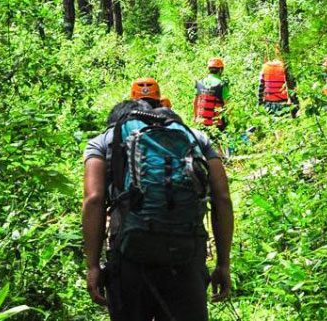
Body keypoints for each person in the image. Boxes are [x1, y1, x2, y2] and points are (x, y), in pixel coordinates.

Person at [82, 100, 234, 321]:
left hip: (129, 257)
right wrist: (223, 263)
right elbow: (222, 198)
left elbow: (94, 199)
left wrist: (93, 266)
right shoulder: (197, 138)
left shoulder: (102, 142)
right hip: (186, 256)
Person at [193, 58, 229, 132]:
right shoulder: (222, 85)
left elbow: (195, 102)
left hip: (201, 122)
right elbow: (228, 106)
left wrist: (195, 118)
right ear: (220, 70)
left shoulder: (200, 83)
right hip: (216, 125)